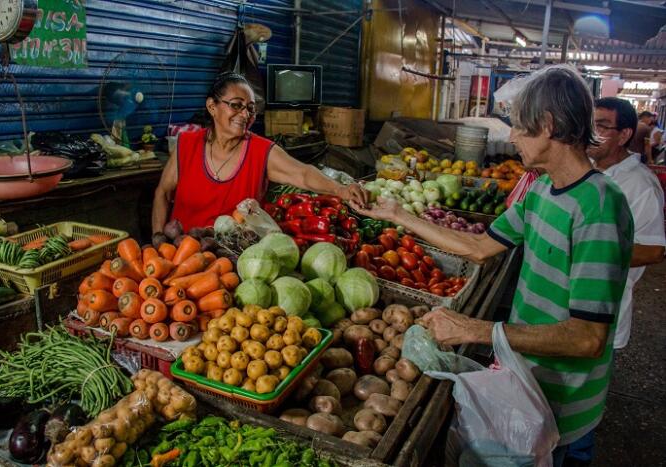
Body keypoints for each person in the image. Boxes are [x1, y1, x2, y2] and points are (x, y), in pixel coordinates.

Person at [354, 65, 634, 467]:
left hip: (563, 407)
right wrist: (398, 215)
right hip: (523, 385)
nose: (514, 137)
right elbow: (480, 247)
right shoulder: (541, 192)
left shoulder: (601, 206)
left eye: (520, 127)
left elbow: (587, 337)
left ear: (549, 125)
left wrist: (477, 330)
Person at [559, 98, 666, 466]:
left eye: (603, 126)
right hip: (566, 307)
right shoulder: (586, 170)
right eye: (591, 123)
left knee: (581, 406)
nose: (593, 133)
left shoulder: (639, 185)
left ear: (623, 135)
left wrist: (587, 251)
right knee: (559, 398)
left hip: (604, 311)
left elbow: (653, 251)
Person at [152, 72, 367, 232]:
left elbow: (303, 173)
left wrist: (341, 190)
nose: (245, 114)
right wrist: (158, 239)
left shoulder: (260, 151)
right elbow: (162, 193)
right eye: (236, 105)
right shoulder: (186, 145)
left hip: (232, 261)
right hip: (179, 255)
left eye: (251, 108)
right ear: (212, 107)